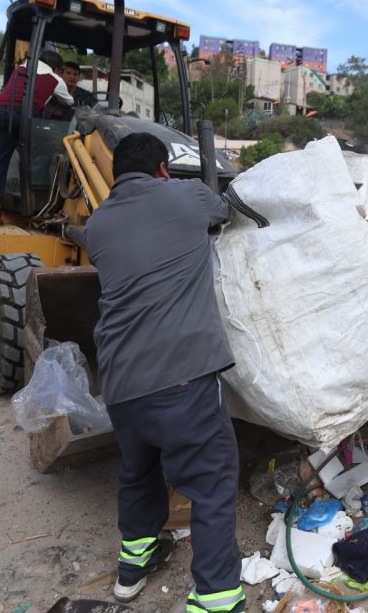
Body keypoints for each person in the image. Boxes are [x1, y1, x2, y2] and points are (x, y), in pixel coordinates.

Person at [83, 133, 244, 612]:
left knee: (138, 471)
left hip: (119, 381)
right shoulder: (187, 195)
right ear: (162, 168)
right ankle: (216, 599)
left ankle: (134, 565)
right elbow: (223, 212)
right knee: (212, 483)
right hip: (182, 376)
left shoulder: (95, 224)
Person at [0, 50, 72, 226]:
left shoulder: (22, 67)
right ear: (57, 69)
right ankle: (35, 209)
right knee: (38, 160)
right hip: (24, 116)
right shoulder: (56, 79)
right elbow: (69, 102)